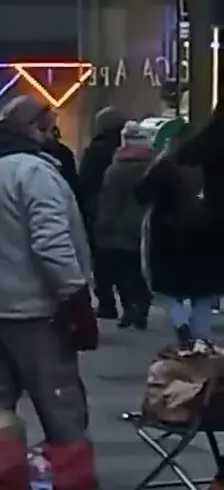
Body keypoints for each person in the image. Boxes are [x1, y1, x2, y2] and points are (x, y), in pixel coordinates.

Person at [0, 96, 93, 448]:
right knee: (60, 400)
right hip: (34, 305)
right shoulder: (32, 171)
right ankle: (74, 479)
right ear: (34, 127)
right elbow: (51, 245)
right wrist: (77, 301)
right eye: (49, 128)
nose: (52, 136)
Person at [138, 114, 224, 348]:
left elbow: (142, 194)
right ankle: (201, 337)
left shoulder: (167, 164)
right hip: (208, 233)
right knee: (203, 292)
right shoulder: (212, 160)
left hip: (169, 236)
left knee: (170, 290)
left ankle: (182, 324)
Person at [90, 121, 156, 331]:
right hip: (147, 225)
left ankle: (130, 306)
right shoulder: (154, 166)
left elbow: (109, 202)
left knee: (123, 271)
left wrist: (101, 228)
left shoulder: (116, 169)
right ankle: (142, 306)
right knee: (142, 270)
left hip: (119, 229)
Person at [77, 107, 130, 319]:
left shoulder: (96, 150)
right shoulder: (130, 148)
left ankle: (107, 303)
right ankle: (132, 303)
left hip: (98, 210)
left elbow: (85, 181)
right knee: (128, 261)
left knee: (101, 261)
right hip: (129, 212)